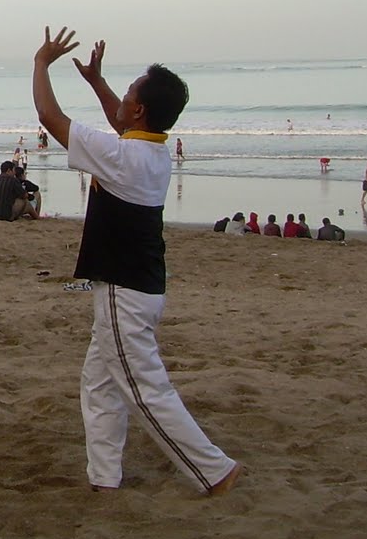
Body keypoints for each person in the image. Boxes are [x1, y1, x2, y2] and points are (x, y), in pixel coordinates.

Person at [33, 28, 238, 496]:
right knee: (100, 383)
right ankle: (104, 477)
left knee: (147, 391)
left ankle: (216, 470)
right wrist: (97, 83)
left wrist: (41, 62)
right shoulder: (150, 151)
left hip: (125, 291)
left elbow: (49, 116)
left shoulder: (124, 157)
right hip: (136, 287)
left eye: (127, 94)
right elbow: (122, 125)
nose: (121, 100)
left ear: (140, 110)